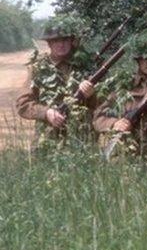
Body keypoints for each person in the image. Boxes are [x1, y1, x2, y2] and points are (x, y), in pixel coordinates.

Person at [16, 14, 97, 149]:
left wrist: (92, 95)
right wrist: (46, 113)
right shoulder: (38, 68)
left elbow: (104, 106)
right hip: (48, 140)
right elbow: (23, 104)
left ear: (72, 41)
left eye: (65, 40)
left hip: (82, 140)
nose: (61, 44)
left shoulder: (87, 66)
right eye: (56, 40)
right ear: (49, 43)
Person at [93, 33, 147, 156]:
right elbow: (98, 117)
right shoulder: (124, 85)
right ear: (138, 61)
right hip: (128, 144)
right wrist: (115, 123)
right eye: (144, 58)